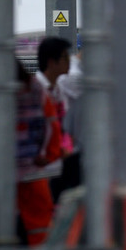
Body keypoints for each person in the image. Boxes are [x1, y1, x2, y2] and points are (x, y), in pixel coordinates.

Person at [16, 60, 63, 246]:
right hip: (32, 173)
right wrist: (48, 156)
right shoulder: (37, 91)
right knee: (38, 229)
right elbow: (52, 127)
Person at [35, 37, 77, 202]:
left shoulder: (58, 90)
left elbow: (63, 125)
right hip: (42, 164)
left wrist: (65, 147)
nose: (68, 63)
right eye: (65, 58)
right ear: (52, 62)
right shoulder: (37, 90)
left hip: (57, 159)